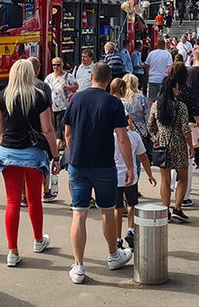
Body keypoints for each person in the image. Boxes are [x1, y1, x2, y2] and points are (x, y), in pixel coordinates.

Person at [63, 61, 134, 284]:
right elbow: (122, 138)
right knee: (107, 210)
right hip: (104, 165)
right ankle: (113, 255)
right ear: (108, 78)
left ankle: (79, 266)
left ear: (91, 76)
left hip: (78, 163)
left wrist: (74, 153)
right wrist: (130, 166)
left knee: (79, 213)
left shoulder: (75, 99)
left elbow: (67, 133)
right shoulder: (114, 103)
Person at [0, 59, 59, 267]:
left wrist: (8, 146)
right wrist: (55, 156)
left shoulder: (2, 96)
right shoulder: (39, 97)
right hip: (33, 155)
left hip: (8, 154)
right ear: (30, 74)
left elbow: (0, 131)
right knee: (35, 199)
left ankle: (12, 251)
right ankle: (37, 240)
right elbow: (48, 130)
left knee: (12, 201)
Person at [148, 74, 194, 221]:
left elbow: (150, 126)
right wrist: (191, 146)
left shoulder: (156, 105)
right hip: (178, 144)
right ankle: (178, 208)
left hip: (162, 144)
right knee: (182, 178)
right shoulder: (181, 107)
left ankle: (165, 210)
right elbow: (185, 130)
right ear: (173, 89)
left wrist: (157, 135)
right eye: (177, 88)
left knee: (165, 180)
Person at [114, 103, 155, 249]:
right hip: (130, 178)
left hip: (114, 178)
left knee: (117, 209)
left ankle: (117, 238)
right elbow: (143, 157)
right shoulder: (134, 137)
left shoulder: (108, 137)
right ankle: (131, 230)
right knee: (132, 205)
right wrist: (150, 175)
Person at [45, 57, 77, 140]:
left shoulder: (68, 76)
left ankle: (59, 142)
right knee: (53, 125)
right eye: (54, 65)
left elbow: (76, 86)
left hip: (64, 106)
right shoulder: (49, 78)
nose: (55, 67)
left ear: (62, 65)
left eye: (58, 65)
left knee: (60, 125)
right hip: (52, 106)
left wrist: (68, 88)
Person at [145, 37, 173, 105]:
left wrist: (148, 76)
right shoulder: (167, 54)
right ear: (164, 45)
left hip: (152, 79)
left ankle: (151, 113)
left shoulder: (151, 53)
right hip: (162, 80)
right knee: (163, 98)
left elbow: (146, 66)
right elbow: (169, 67)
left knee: (151, 98)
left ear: (157, 45)